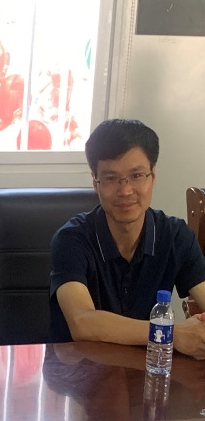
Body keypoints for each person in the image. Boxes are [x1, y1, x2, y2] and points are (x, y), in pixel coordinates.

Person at [49, 118, 205, 357]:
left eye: (136, 175)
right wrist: (169, 332)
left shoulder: (175, 236)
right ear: (95, 182)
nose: (125, 190)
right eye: (111, 178)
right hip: (80, 372)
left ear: (152, 176)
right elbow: (82, 322)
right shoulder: (71, 239)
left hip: (147, 370)